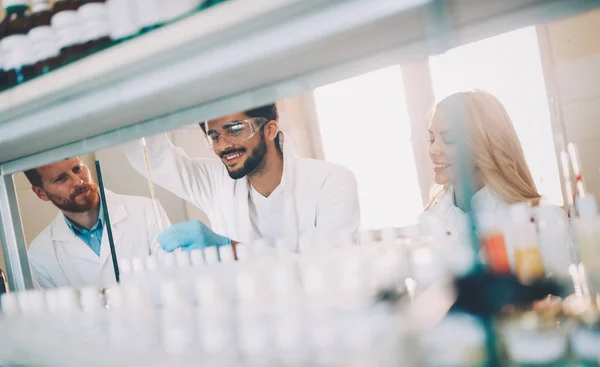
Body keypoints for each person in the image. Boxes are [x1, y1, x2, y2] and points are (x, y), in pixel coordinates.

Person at [125, 103, 360, 252]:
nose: (223, 145)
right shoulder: (216, 182)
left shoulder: (332, 181)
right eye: (214, 136)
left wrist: (231, 250)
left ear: (269, 130)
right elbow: (154, 159)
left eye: (235, 129)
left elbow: (329, 269)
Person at [425, 89, 564, 242]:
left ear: (485, 143)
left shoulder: (539, 220)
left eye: (449, 139)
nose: (433, 150)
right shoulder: (430, 224)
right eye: (431, 139)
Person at [25, 157, 170, 289]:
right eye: (61, 179)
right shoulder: (40, 253)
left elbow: (174, 280)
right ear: (41, 193)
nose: (78, 182)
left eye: (77, 169)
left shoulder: (146, 210)